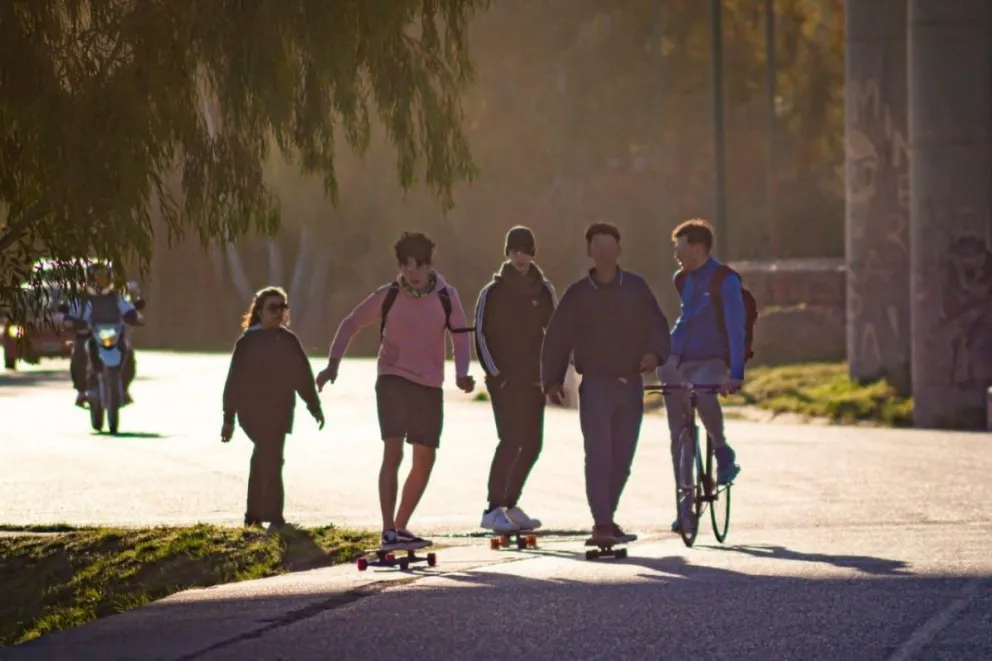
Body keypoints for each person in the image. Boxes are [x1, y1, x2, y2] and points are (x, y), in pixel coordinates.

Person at [315, 232, 475, 549]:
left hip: (429, 384)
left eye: (417, 266)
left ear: (429, 265)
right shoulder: (389, 294)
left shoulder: (446, 296)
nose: (410, 273)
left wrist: (461, 373)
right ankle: (388, 528)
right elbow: (351, 323)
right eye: (405, 266)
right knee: (394, 450)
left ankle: (401, 526)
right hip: (392, 379)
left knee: (425, 458)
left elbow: (459, 336)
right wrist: (333, 364)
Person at [541, 222, 671, 545]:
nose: (604, 252)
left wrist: (654, 354)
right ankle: (601, 523)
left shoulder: (636, 289)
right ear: (590, 252)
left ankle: (606, 519)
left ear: (619, 250)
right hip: (596, 385)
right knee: (598, 454)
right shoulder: (578, 295)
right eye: (598, 247)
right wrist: (552, 380)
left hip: (630, 385)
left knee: (622, 458)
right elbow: (557, 337)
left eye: (610, 246)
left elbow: (658, 325)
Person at [660, 218, 744, 534]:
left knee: (703, 392)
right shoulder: (681, 279)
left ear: (697, 247)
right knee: (678, 435)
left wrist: (735, 373)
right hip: (679, 355)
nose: (676, 256)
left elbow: (736, 328)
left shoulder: (726, 280)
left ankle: (721, 450)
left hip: (712, 358)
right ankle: (684, 507)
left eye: (680, 249)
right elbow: (685, 319)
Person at [221, 286, 325, 530]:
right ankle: (272, 515)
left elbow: (302, 376)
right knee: (271, 454)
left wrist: (314, 406)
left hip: (280, 411)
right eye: (272, 308)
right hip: (252, 412)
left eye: (282, 307)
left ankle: (255, 515)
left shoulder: (288, 340)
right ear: (259, 311)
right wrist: (229, 418)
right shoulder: (248, 342)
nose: (278, 312)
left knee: (266, 457)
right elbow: (233, 381)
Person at [475, 226, 557, 534]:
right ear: (507, 254)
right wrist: (497, 375)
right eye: (515, 250)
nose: (520, 256)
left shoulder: (543, 289)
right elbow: (480, 334)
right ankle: (492, 509)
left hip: (534, 379)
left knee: (532, 444)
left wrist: (555, 372)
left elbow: (557, 330)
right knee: (510, 441)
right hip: (505, 381)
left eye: (526, 250)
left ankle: (510, 504)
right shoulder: (492, 292)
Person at [67, 262, 141, 407]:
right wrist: (71, 321)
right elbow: (72, 313)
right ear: (89, 279)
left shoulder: (116, 297)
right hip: (89, 334)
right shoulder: (83, 298)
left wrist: (133, 316)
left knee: (127, 352)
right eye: (97, 278)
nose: (100, 282)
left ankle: (123, 388)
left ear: (109, 279)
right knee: (79, 353)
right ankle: (82, 391)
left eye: (103, 278)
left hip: (113, 333)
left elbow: (128, 309)